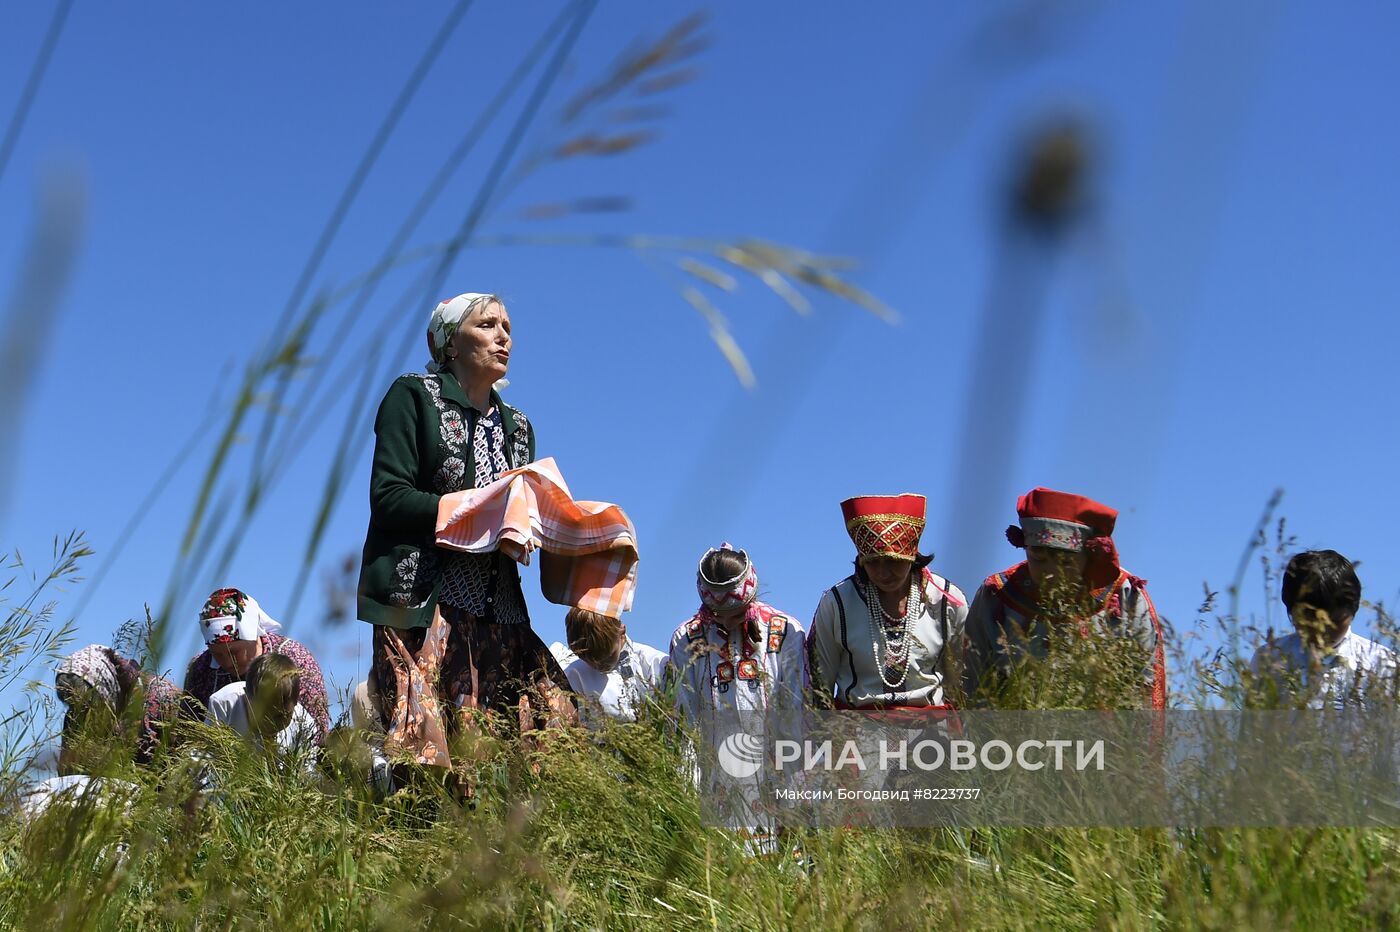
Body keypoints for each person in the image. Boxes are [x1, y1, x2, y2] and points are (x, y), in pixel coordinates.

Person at [356, 292, 573, 771]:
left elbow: (519, 516)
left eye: (508, 328)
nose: (504, 337)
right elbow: (388, 497)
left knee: (552, 734)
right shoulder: (413, 396)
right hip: (425, 606)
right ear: (449, 342)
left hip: (501, 612)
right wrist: (471, 510)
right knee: (427, 764)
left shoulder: (518, 427)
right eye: (488, 325)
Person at [962, 487, 1167, 710]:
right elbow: (971, 678)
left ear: (1089, 554)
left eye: (1065, 563)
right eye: (1038, 559)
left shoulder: (1123, 595)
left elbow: (1147, 682)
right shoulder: (998, 594)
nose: (1050, 572)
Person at [669, 544, 806, 855]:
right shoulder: (687, 639)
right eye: (718, 616)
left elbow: (798, 711)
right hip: (717, 778)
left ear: (752, 597)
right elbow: (684, 721)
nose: (728, 623)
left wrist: (797, 786)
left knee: (787, 874)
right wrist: (686, 792)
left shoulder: (785, 632)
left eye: (737, 614)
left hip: (775, 773)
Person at [808, 494, 969, 714]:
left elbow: (962, 683)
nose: (884, 573)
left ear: (911, 555)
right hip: (854, 739)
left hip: (932, 738)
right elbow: (818, 684)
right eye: (873, 562)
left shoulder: (947, 601)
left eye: (894, 561)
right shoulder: (837, 603)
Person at [1249, 550, 1398, 710]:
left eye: (1335, 622)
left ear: (1353, 610)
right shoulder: (1270, 659)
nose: (1322, 632)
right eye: (1309, 621)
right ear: (1292, 611)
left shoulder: (1382, 663)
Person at [183, 588, 330, 741]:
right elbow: (189, 730)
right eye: (217, 654)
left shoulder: (295, 658)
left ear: (253, 635)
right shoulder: (201, 668)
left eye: (234, 652)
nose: (227, 661)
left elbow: (317, 730)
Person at [55, 644, 196, 773]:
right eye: (72, 705)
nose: (83, 715)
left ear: (105, 690)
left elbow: (186, 763)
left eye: (90, 706)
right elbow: (67, 773)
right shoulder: (75, 716)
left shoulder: (163, 699)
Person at [561, 607, 669, 727]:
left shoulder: (655, 665)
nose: (598, 665)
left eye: (607, 656)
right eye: (586, 659)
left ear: (622, 631)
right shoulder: (572, 676)